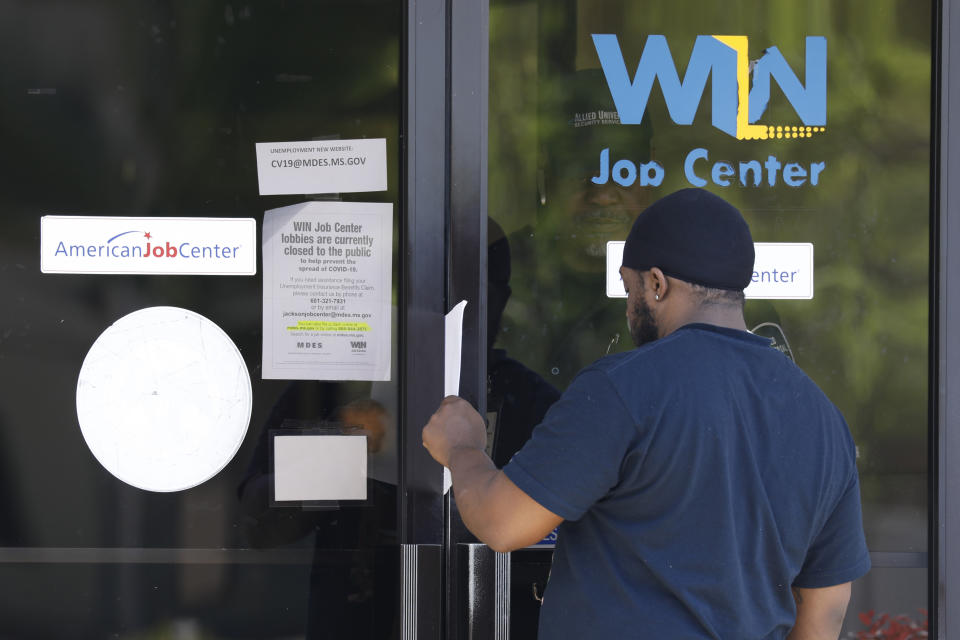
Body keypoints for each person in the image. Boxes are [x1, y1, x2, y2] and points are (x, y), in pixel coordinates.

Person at [422, 188, 871, 639]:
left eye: (628, 286)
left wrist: (462, 447)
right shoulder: (823, 418)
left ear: (656, 284)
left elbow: (502, 523)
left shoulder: (624, 388)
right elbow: (826, 607)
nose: (626, 306)